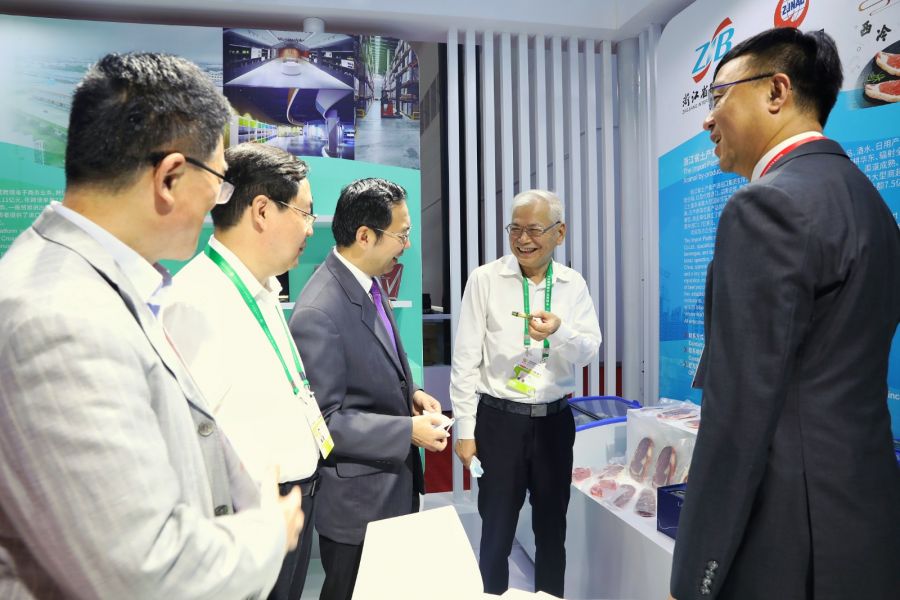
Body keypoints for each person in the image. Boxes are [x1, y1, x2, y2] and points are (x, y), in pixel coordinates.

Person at [0, 53, 304, 599]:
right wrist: (267, 533)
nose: (217, 202)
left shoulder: (96, 282)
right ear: (170, 178)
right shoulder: (59, 317)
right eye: (218, 181)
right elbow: (145, 572)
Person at [670, 28, 900, 600]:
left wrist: (693, 574)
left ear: (777, 91)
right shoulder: (870, 204)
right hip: (865, 517)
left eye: (718, 96)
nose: (708, 119)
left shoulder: (767, 205)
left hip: (785, 536)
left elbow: (738, 413)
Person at [163, 143, 323, 600]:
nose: (311, 227)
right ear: (262, 211)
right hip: (244, 522)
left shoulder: (263, 288)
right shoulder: (196, 301)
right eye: (305, 212)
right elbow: (184, 446)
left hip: (288, 508)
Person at [289, 177, 449, 600]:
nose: (407, 245)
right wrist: (407, 431)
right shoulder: (320, 311)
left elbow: (375, 359)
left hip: (389, 492)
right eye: (402, 234)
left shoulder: (368, 281)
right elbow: (325, 424)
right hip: (359, 508)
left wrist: (412, 393)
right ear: (365, 236)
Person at [450, 189, 602, 598]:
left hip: (554, 424)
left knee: (552, 532)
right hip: (499, 423)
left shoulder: (572, 285)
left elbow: (589, 351)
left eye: (534, 229)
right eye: (515, 229)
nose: (523, 239)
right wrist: (465, 430)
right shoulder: (485, 280)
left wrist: (559, 332)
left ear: (559, 233)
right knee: (495, 533)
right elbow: (465, 361)